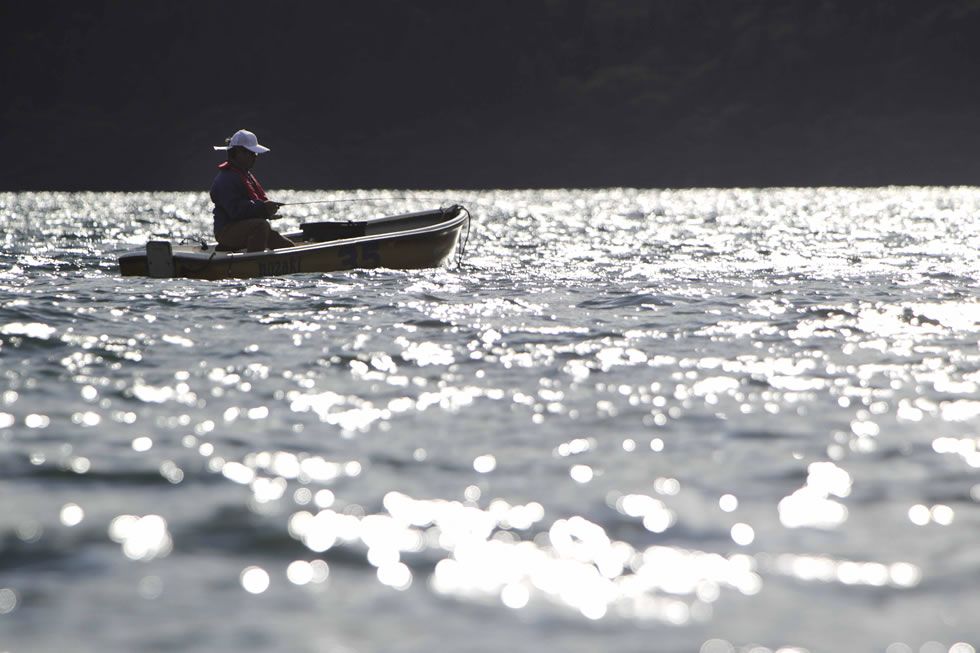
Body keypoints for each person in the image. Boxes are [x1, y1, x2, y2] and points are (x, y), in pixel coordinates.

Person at [210, 129, 294, 252]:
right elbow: (236, 210)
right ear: (238, 153)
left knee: (287, 247)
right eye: (251, 153)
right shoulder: (226, 179)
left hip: (243, 227)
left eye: (256, 153)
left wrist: (267, 210)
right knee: (260, 226)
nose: (255, 157)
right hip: (225, 232)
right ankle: (254, 264)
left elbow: (249, 208)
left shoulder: (243, 174)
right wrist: (262, 207)